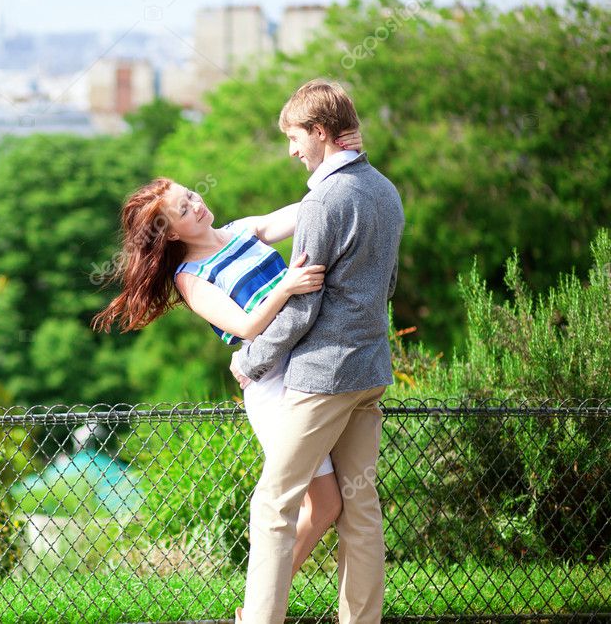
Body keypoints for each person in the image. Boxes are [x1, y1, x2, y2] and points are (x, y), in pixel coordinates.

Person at [91, 128, 364, 621]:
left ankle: (256, 609)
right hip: (272, 385)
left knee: (327, 507)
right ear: (171, 234)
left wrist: (345, 165)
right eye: (183, 210)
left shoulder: (242, 229)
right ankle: (257, 611)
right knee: (313, 504)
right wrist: (290, 285)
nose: (196, 205)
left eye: (190, 195)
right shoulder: (190, 277)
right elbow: (244, 325)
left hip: (311, 365)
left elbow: (307, 210)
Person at [228, 79, 404, 623]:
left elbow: (303, 306)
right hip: (370, 371)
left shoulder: (323, 201)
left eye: (295, 137)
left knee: (273, 505)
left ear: (321, 133)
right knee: (361, 509)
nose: (292, 150)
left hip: (324, 379)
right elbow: (389, 284)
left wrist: (250, 359)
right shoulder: (385, 190)